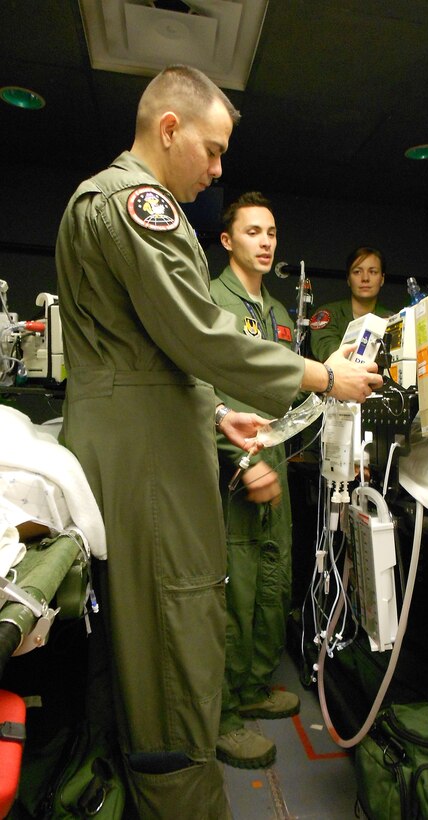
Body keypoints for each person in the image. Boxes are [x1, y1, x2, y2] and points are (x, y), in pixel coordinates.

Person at [55, 64, 382, 819]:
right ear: (168, 129)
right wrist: (323, 378)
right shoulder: (139, 203)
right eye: (210, 148)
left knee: (144, 638)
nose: (217, 168)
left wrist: (209, 416)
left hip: (138, 432)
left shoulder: (101, 202)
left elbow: (137, 348)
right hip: (146, 458)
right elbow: (200, 334)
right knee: (176, 631)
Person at [209, 191, 298, 770]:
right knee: (231, 587)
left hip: (279, 463)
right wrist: (240, 458)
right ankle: (220, 711)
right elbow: (199, 389)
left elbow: (288, 390)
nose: (265, 242)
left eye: (270, 232)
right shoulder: (210, 303)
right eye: (252, 232)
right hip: (232, 466)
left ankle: (252, 686)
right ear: (227, 240)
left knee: (273, 574)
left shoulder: (281, 316)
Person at [309, 245, 393, 362]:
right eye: (357, 272)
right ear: (348, 279)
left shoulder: (392, 319)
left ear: (382, 279)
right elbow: (328, 351)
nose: (365, 278)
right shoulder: (328, 314)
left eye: (373, 272)